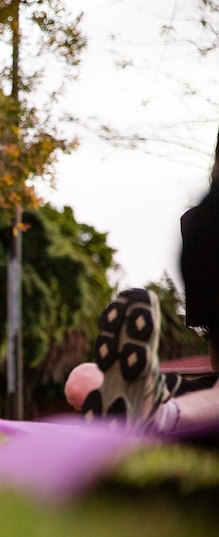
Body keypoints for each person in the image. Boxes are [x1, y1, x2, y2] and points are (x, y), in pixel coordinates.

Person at [74, 129, 219, 434]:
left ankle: (162, 413)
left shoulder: (203, 226)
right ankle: (157, 409)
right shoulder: (205, 229)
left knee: (85, 380)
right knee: (85, 379)